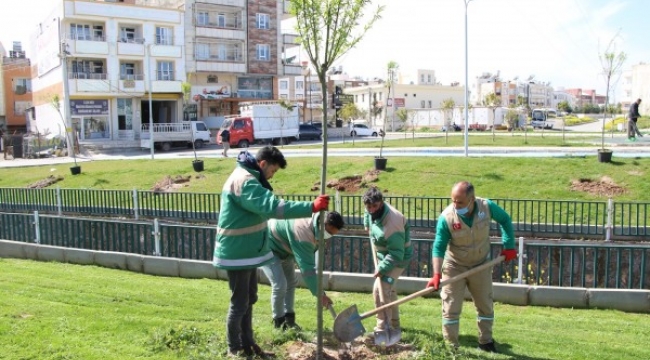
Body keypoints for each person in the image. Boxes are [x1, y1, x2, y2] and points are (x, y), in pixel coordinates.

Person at [212, 146, 330, 359]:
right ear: (263, 163)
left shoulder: (249, 178)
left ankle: (248, 345)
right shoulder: (245, 181)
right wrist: (310, 207)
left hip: (246, 251)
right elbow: (273, 207)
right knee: (240, 302)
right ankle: (235, 349)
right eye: (273, 171)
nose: (272, 176)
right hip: (236, 252)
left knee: (249, 298)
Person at [426, 181, 516, 353]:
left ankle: (486, 342)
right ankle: (451, 347)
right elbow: (438, 246)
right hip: (455, 266)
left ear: (472, 199)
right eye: (453, 200)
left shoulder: (486, 207)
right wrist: (437, 274)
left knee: (485, 304)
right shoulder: (447, 217)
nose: (455, 204)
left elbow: (505, 219)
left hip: (481, 264)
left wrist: (509, 245)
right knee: (451, 308)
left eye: (459, 201)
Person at [262, 211, 345, 330]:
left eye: (332, 234)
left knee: (291, 282)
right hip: (268, 245)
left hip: (284, 248)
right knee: (280, 285)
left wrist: (320, 292)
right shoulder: (304, 232)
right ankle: (279, 323)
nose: (329, 236)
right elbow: (307, 270)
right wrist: (320, 294)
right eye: (329, 232)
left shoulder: (318, 227)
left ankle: (289, 320)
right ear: (323, 224)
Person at [362, 187, 412, 337]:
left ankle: (382, 328)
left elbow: (397, 254)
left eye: (374, 206)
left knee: (380, 290)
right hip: (384, 254)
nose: (371, 210)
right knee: (390, 290)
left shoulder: (393, 223)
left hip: (398, 259)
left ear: (381, 203)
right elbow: (368, 212)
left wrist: (382, 268)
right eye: (368, 206)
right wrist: (366, 222)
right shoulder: (372, 208)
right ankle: (395, 324)